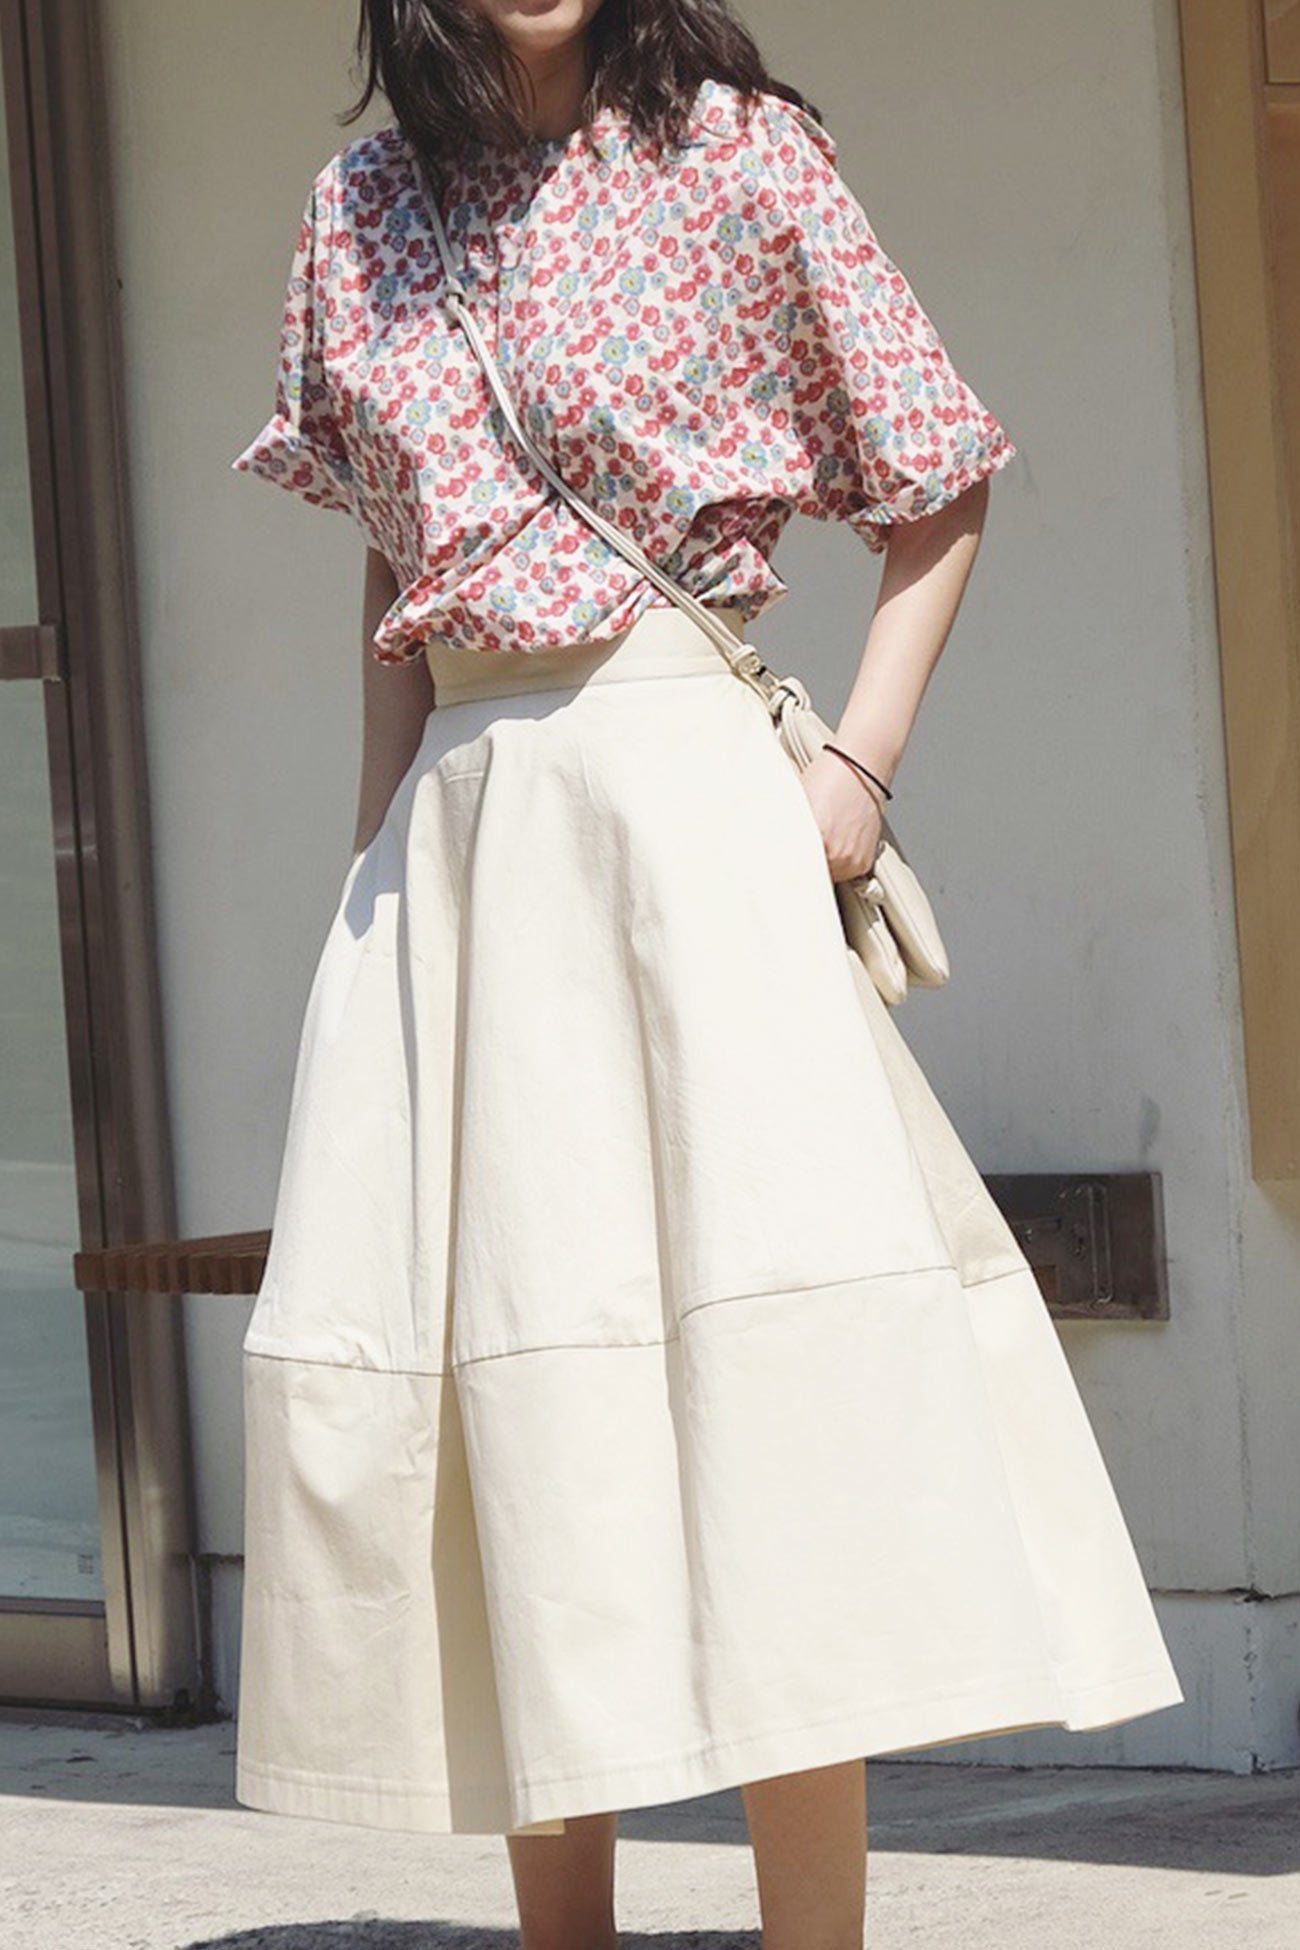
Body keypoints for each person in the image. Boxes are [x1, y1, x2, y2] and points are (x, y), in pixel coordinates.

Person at [230, 4, 1183, 1946]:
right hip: (467, 833)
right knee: (518, 1385)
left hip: (689, 811)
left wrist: (853, 771)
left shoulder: (736, 158)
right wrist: (368, 862)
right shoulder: (360, 211)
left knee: (779, 1373)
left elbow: (935, 471)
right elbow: (393, 567)